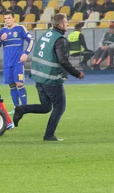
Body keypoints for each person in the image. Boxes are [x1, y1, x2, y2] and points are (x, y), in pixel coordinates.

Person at [13, 13, 85, 141]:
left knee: (46, 107)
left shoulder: (45, 35)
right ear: (61, 24)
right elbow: (63, 61)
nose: (67, 24)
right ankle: (49, 135)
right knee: (60, 107)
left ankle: (22, 109)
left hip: (38, 77)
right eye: (66, 22)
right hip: (50, 78)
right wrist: (77, 73)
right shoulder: (60, 39)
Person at [0, 11, 34, 110]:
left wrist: (26, 53)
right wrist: (1, 40)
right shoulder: (2, 31)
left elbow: (31, 40)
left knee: (19, 83)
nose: (7, 20)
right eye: (5, 18)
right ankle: (16, 107)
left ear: (13, 18)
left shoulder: (20, 28)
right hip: (7, 62)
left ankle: (24, 107)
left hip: (18, 61)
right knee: (11, 85)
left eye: (9, 18)